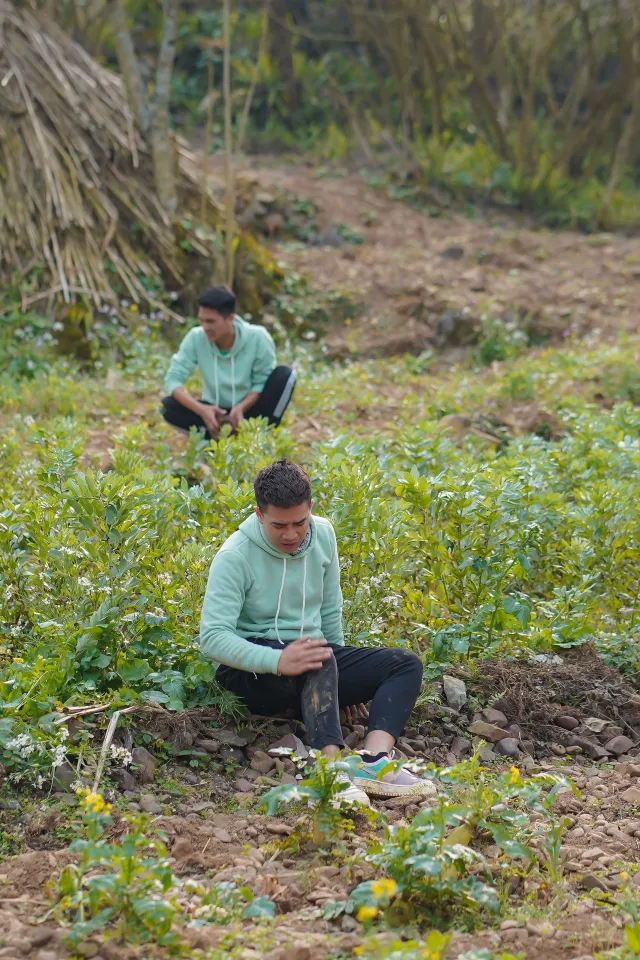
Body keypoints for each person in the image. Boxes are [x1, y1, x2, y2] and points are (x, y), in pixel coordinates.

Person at [199, 458, 432, 805]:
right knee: (314, 657)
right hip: (251, 673)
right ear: (259, 514)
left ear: (311, 508)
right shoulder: (235, 555)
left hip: (310, 661)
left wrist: (337, 689)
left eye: (299, 522)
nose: (291, 534)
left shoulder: (323, 534)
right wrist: (278, 660)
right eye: (279, 525)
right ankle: (331, 771)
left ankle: (374, 762)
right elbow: (213, 637)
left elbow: (328, 610)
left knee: (405, 664)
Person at [162, 285, 296, 440]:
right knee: (168, 406)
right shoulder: (195, 337)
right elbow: (173, 379)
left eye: (211, 321)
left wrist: (241, 408)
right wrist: (202, 410)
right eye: (201, 321)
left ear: (230, 318)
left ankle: (257, 435)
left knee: (285, 375)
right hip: (213, 410)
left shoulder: (258, 338)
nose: (205, 327)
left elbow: (260, 383)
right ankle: (213, 437)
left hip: (248, 409)